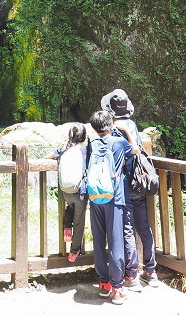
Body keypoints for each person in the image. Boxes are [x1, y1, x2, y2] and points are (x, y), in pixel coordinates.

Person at [101, 88, 159, 289]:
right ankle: (150, 271)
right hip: (139, 182)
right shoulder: (132, 125)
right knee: (143, 226)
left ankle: (132, 275)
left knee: (127, 228)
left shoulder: (114, 129)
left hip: (124, 183)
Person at [88, 110, 135, 305]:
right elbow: (133, 155)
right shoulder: (119, 142)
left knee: (98, 239)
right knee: (116, 241)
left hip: (95, 197)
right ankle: (117, 288)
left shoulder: (91, 144)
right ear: (110, 125)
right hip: (114, 197)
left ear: (94, 127)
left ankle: (104, 284)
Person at [50, 123, 88, 262]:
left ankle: (67, 228)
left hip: (66, 191)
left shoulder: (64, 148)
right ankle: (74, 251)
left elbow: (51, 155)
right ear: (83, 137)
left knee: (70, 207)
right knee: (79, 221)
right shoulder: (84, 150)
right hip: (80, 192)